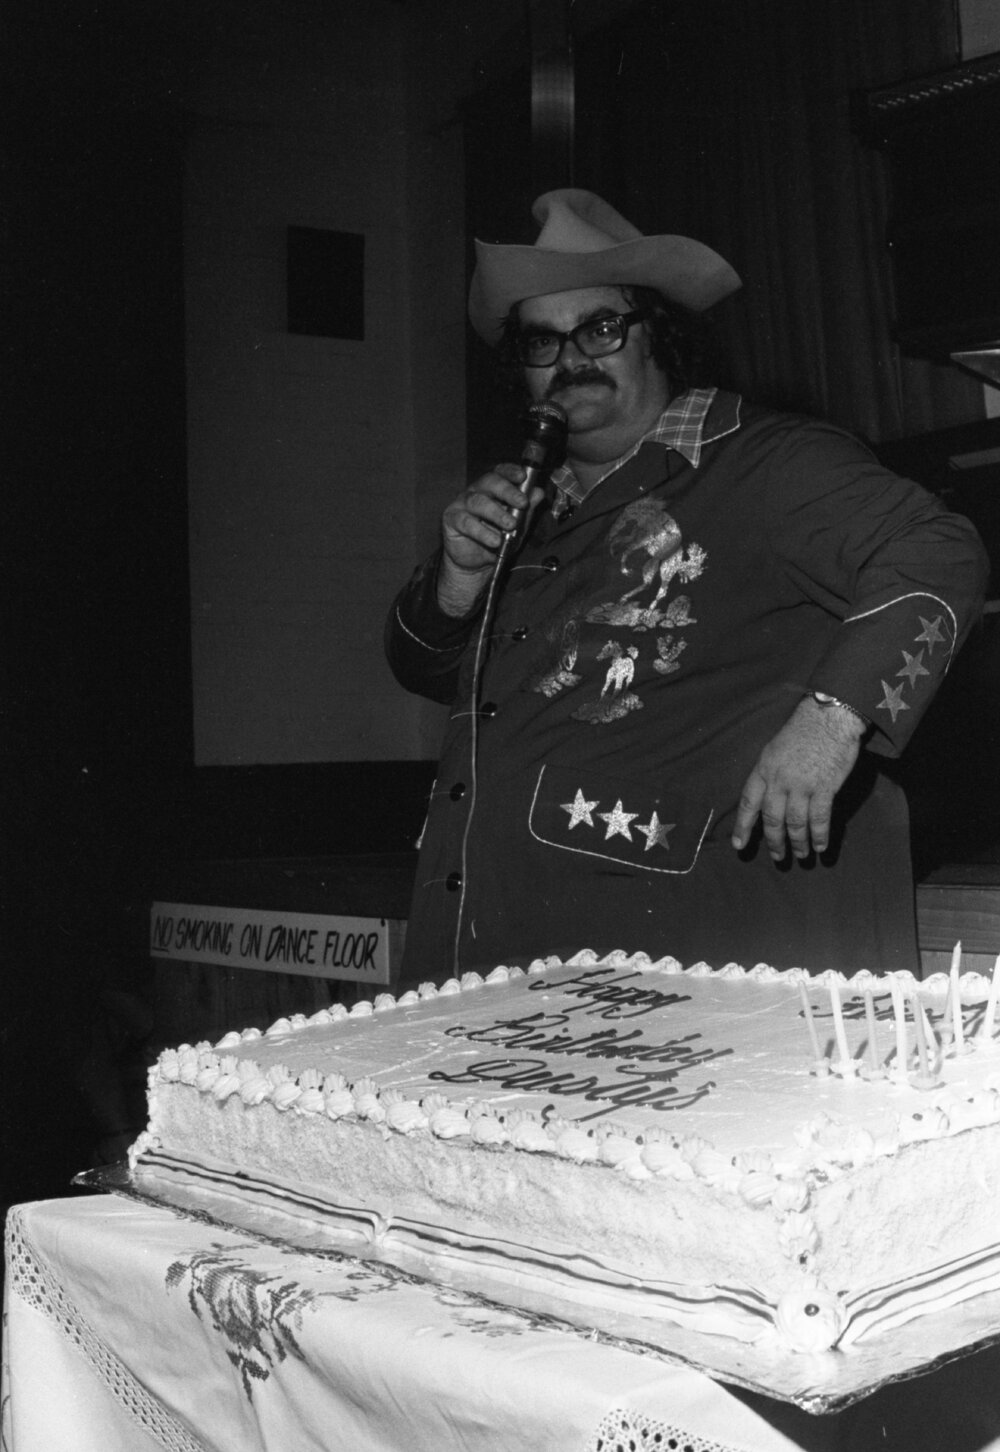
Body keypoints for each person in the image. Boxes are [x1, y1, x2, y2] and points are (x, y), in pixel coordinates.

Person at [386, 189, 989, 980]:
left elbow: (938, 549)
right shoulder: (529, 510)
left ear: (656, 336)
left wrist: (835, 718)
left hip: (683, 960)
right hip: (494, 943)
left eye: (600, 329)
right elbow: (423, 671)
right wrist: (461, 577)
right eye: (542, 343)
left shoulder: (767, 462)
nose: (571, 360)